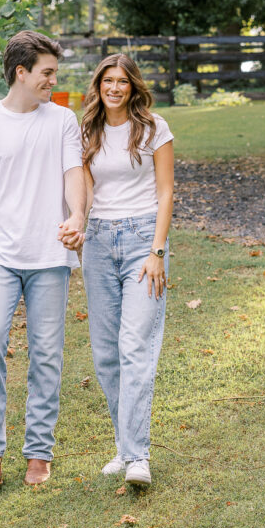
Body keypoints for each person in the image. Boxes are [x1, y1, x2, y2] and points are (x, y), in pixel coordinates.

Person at [0, 30, 85, 488]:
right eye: (47, 73)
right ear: (21, 72)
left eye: (55, 73)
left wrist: (79, 215)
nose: (53, 80)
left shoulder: (63, 121)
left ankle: (38, 452)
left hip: (50, 254)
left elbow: (72, 175)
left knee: (46, 353)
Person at [77, 53, 174, 487]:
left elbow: (167, 191)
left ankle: (138, 457)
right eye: (107, 81)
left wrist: (157, 250)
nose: (114, 88)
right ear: (98, 85)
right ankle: (124, 446)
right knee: (106, 354)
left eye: (122, 82)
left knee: (135, 345)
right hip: (97, 243)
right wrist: (76, 224)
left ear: (133, 87)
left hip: (142, 243)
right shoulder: (87, 131)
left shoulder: (154, 128)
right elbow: (84, 188)